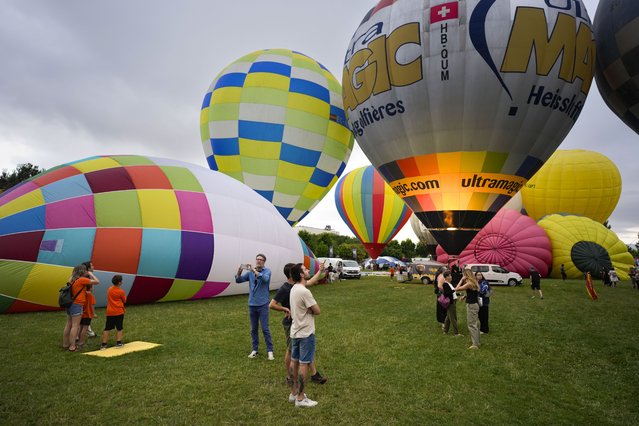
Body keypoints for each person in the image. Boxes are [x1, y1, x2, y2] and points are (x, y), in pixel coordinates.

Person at [269, 263, 327, 388]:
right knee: (291, 351)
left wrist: (320, 270)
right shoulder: (286, 288)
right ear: (292, 274)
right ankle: (290, 378)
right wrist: (285, 309)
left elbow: (310, 281)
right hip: (292, 323)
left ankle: (314, 373)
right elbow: (271, 304)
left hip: (299, 321)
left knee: (303, 352)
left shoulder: (296, 286)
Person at [289, 263, 322, 407]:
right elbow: (317, 310)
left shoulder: (294, 288)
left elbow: (310, 282)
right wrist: (309, 310)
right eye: (305, 269)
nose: (308, 270)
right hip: (305, 333)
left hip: (295, 332)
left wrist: (320, 270)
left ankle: (293, 393)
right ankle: (301, 398)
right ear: (301, 274)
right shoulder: (304, 292)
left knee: (294, 361)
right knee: (303, 364)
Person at [235, 253, 274, 360]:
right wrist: (239, 271)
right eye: (257, 259)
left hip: (263, 304)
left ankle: (270, 351)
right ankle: (255, 350)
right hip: (252, 304)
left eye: (261, 260)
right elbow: (238, 280)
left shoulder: (267, 271)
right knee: (253, 329)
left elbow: (265, 279)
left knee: (265, 329)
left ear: (264, 262)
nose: (258, 261)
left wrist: (253, 271)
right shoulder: (250, 273)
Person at [63, 264, 99, 352]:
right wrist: (91, 274)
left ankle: (65, 344)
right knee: (75, 326)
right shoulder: (81, 280)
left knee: (69, 324)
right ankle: (72, 347)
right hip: (77, 304)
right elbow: (97, 281)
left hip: (70, 304)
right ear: (82, 272)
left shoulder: (72, 280)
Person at [456, 268, 481, 349]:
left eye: (463, 274)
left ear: (466, 275)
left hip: (472, 306)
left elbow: (457, 288)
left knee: (471, 324)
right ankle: (477, 342)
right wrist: (465, 296)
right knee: (474, 324)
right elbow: (473, 293)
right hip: (475, 304)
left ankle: (475, 345)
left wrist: (461, 279)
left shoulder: (469, 283)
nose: (463, 276)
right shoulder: (474, 282)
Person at [101, 275, 126, 349]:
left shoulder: (109, 289)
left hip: (110, 312)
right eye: (121, 280)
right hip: (119, 312)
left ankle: (104, 344)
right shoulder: (121, 291)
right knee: (119, 328)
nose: (122, 282)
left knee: (107, 328)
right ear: (119, 283)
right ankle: (118, 343)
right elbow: (124, 300)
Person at [442, 271, 462, 336]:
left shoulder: (449, 284)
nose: (451, 277)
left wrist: (459, 294)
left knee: (448, 317)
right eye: (450, 276)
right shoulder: (445, 284)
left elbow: (452, 292)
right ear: (446, 277)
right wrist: (455, 290)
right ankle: (456, 333)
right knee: (453, 318)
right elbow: (446, 294)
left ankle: (445, 330)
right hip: (450, 302)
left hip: (453, 301)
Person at [82, 261, 97, 337]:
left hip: (86, 297)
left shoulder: (86, 276)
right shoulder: (86, 277)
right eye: (92, 265)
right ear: (88, 268)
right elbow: (97, 282)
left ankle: (90, 332)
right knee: (85, 317)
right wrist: (94, 313)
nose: (93, 266)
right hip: (86, 298)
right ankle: (86, 334)